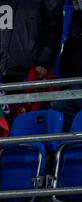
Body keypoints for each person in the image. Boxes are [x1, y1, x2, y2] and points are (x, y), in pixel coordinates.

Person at [0, 0, 64, 83]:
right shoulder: (2, 1)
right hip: (6, 72)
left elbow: (54, 31)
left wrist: (43, 63)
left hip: (34, 73)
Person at [50, 0, 82, 131]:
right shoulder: (76, 18)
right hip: (72, 81)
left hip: (77, 83)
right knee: (59, 103)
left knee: (61, 104)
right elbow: (70, 52)